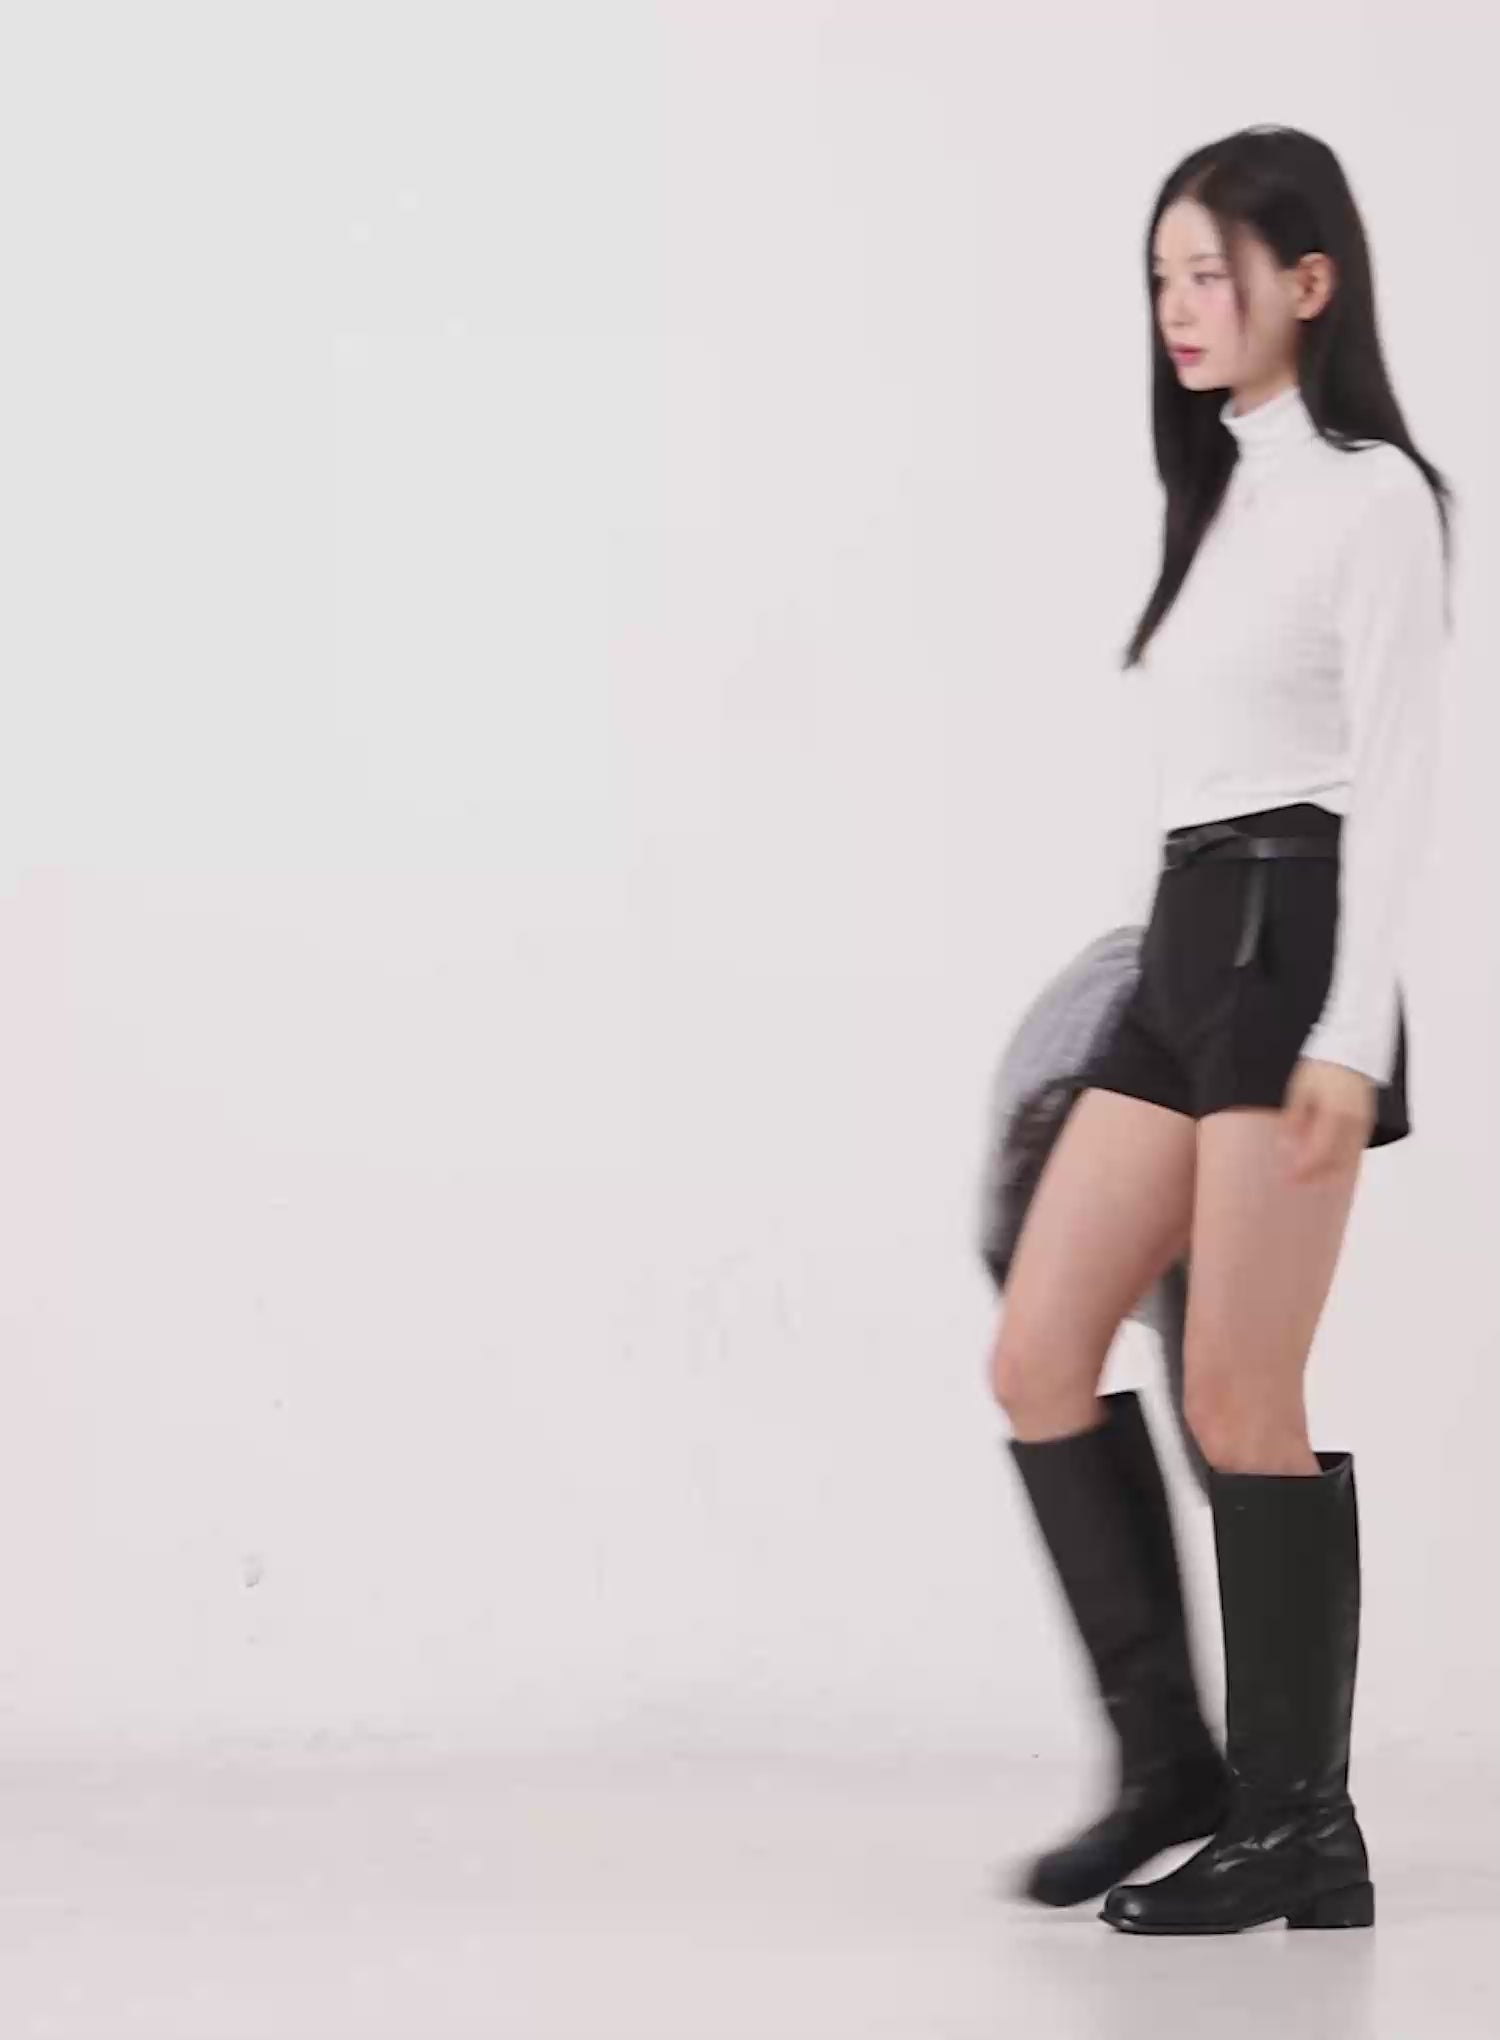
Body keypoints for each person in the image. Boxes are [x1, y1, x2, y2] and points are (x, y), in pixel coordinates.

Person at [987, 126, 1455, 1934]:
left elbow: (1394, 783)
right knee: (1039, 1353)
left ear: (1308, 281)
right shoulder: (1224, 489)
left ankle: (1300, 1829)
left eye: (1215, 273)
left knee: (1239, 1395)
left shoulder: (1372, 494)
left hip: (1292, 948)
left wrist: (1348, 1031)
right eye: (1163, 277)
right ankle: (1172, 1767)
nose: (1182, 306)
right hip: (1187, 944)